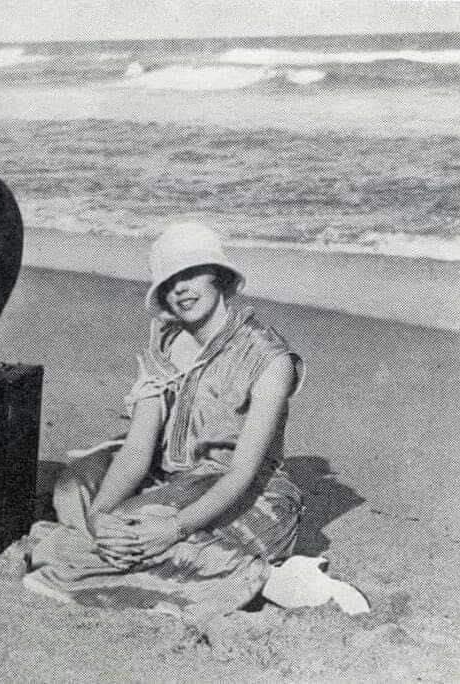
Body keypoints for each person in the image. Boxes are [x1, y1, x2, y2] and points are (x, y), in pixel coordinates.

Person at [24, 222, 304, 621]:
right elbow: (138, 449)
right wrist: (101, 515)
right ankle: (119, 541)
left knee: (127, 530)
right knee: (74, 492)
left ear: (218, 276)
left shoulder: (269, 359)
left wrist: (174, 526)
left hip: (243, 489)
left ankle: (260, 575)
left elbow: (242, 472)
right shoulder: (167, 342)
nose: (181, 290)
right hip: (172, 478)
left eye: (190, 274)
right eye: (170, 282)